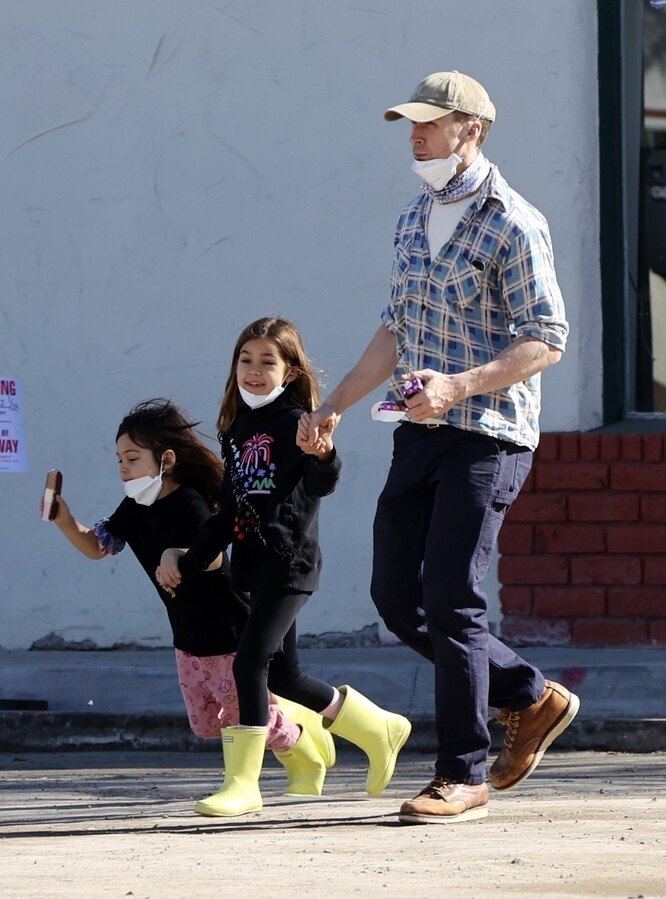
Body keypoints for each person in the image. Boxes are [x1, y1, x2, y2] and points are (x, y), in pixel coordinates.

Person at [305, 71, 579, 825]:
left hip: (487, 436)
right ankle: (530, 694)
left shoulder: (514, 222)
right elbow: (395, 330)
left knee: (453, 597)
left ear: (474, 131)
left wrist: (460, 386)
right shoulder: (411, 219)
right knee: (397, 596)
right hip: (417, 433)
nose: (417, 136)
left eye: (432, 123)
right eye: (411, 124)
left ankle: (462, 772)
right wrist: (331, 405)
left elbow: (546, 340)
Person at [157, 317, 411, 818]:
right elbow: (229, 509)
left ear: (290, 370)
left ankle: (243, 784)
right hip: (253, 567)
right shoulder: (235, 426)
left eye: (267, 361)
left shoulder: (298, 419)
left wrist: (324, 454)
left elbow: (320, 483)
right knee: (286, 677)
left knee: (247, 664)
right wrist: (190, 560)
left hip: (290, 564)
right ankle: (379, 727)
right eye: (245, 360)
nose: (254, 370)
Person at [45, 398, 335, 802]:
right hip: (187, 637)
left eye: (131, 457)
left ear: (165, 458)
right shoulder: (135, 506)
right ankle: (286, 716)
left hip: (228, 631)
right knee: (204, 724)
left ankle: (301, 745)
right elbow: (98, 546)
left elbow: (213, 553)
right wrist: (64, 519)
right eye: (118, 459)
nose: (122, 468)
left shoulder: (189, 501)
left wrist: (176, 555)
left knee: (240, 717)